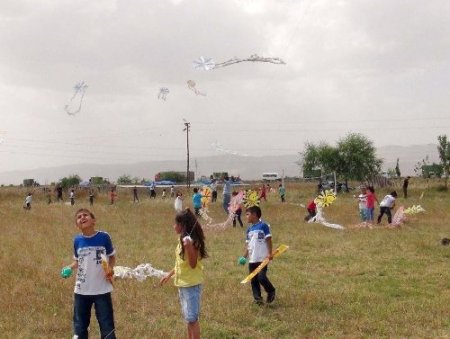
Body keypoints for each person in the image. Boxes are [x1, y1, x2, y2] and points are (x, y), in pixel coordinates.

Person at [62, 208, 116, 339]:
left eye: (85, 215)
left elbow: (111, 256)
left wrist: (110, 268)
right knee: (80, 326)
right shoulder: (77, 241)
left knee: (107, 325)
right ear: (77, 225)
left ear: (94, 221)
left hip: (101, 289)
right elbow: (78, 261)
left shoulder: (104, 237)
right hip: (82, 290)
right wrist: (69, 268)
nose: (82, 218)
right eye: (79, 217)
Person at [160, 209, 208, 339]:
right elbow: (180, 263)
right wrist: (169, 274)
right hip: (182, 283)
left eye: (175, 224)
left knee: (192, 319)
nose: (173, 226)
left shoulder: (192, 242)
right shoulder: (182, 239)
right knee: (188, 318)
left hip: (191, 285)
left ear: (182, 225)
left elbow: (192, 264)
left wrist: (189, 248)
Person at [242, 206, 276, 305]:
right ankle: (258, 299)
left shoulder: (263, 226)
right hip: (252, 259)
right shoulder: (249, 230)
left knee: (261, 277)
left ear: (254, 215)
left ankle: (271, 291)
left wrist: (270, 253)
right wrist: (244, 257)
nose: (246, 217)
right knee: (254, 280)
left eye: (247, 214)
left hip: (262, 259)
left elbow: (268, 239)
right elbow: (248, 245)